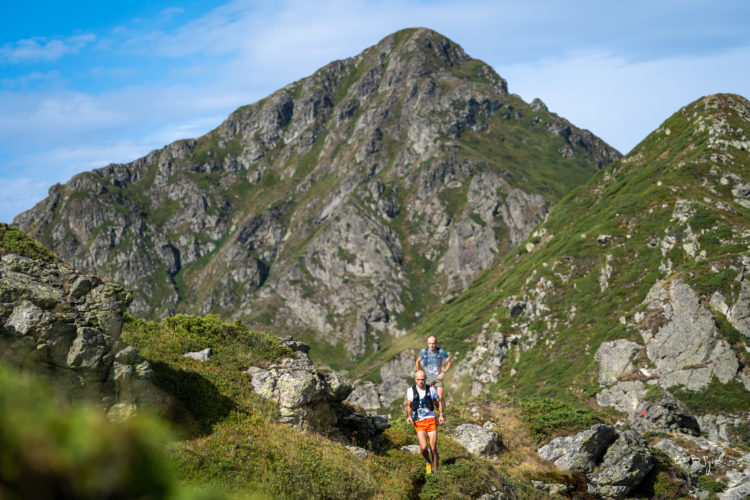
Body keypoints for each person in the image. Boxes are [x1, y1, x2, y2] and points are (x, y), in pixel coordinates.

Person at [406, 369, 445, 474]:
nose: (421, 382)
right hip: (419, 422)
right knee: (423, 448)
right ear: (415, 379)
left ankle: (435, 471)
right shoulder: (410, 391)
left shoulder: (431, 389)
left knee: (433, 448)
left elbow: (438, 402)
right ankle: (428, 460)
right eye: (418, 379)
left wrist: (441, 415)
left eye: (422, 379)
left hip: (431, 420)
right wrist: (409, 416)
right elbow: (409, 405)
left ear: (426, 379)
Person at [415, 336, 452, 401]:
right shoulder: (424, 351)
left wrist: (443, 373)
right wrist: (418, 373)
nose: (431, 345)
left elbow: (449, 363)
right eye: (430, 343)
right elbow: (417, 361)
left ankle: (442, 407)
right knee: (429, 397)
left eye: (433, 343)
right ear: (427, 343)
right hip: (428, 377)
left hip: (438, 377)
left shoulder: (441, 352)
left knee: (439, 397)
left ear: (436, 343)